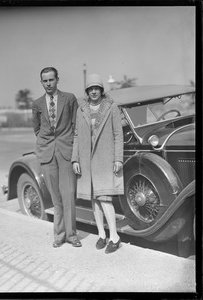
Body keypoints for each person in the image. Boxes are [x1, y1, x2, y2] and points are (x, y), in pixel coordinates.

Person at [72, 74, 124, 254]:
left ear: (102, 90)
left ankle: (115, 237)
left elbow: (118, 134)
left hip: (105, 159)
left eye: (97, 88)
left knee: (105, 198)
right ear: (87, 91)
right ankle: (102, 234)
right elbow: (77, 135)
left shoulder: (112, 107)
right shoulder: (81, 110)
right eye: (90, 88)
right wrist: (75, 159)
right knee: (94, 198)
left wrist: (118, 158)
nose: (94, 91)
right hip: (86, 160)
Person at [32, 67, 82, 248]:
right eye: (44, 81)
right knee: (56, 196)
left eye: (51, 80)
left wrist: (74, 152)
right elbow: (37, 129)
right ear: (41, 82)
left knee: (68, 194)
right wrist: (45, 144)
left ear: (57, 80)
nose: (48, 84)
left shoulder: (69, 99)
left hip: (66, 151)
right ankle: (59, 235)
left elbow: (76, 127)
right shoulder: (37, 104)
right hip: (47, 153)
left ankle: (72, 235)